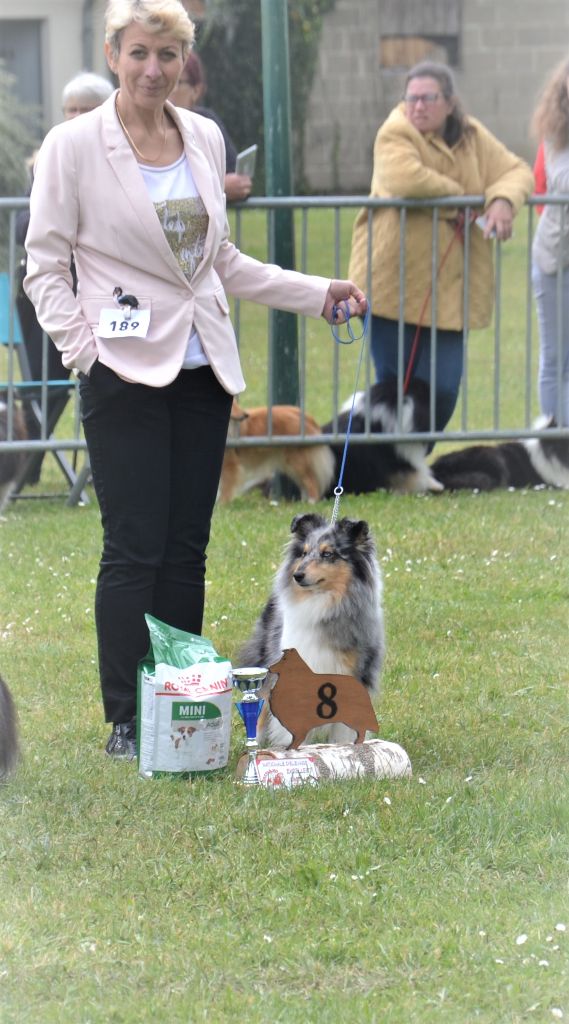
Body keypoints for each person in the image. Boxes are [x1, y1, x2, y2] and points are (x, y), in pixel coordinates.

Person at [23, 0, 367, 760]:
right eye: (140, 53)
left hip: (202, 368)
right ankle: (124, 715)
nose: (153, 69)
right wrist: (86, 352)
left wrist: (318, 292)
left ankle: (174, 695)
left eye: (168, 55)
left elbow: (221, 264)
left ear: (183, 61)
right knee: (133, 547)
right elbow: (44, 265)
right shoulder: (73, 146)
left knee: (186, 546)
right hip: (121, 373)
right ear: (114, 52)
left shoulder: (203, 138)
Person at [348, 61, 534, 435]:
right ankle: (391, 467)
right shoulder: (394, 132)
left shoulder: (472, 134)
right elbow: (404, 179)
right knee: (393, 385)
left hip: (450, 289)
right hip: (391, 282)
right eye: (412, 98)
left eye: (428, 98)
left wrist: (501, 201)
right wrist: (467, 199)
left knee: (443, 389)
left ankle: (413, 459)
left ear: (449, 102)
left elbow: (517, 170)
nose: (418, 106)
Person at [15, 72, 115, 483]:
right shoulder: (49, 157)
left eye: (84, 110)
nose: (74, 117)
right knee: (42, 389)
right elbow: (25, 224)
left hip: (101, 293)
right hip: (47, 294)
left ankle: (104, 469)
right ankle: (27, 468)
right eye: (69, 110)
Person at [530, 55, 569, 426]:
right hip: (555, 261)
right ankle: (558, 441)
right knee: (557, 357)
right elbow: (559, 182)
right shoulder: (557, 134)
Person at [169, 51, 252, 203]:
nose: (168, 90)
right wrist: (220, 186)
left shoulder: (207, 124)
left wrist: (238, 184)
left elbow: (234, 175)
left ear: (196, 90)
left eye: (177, 82)